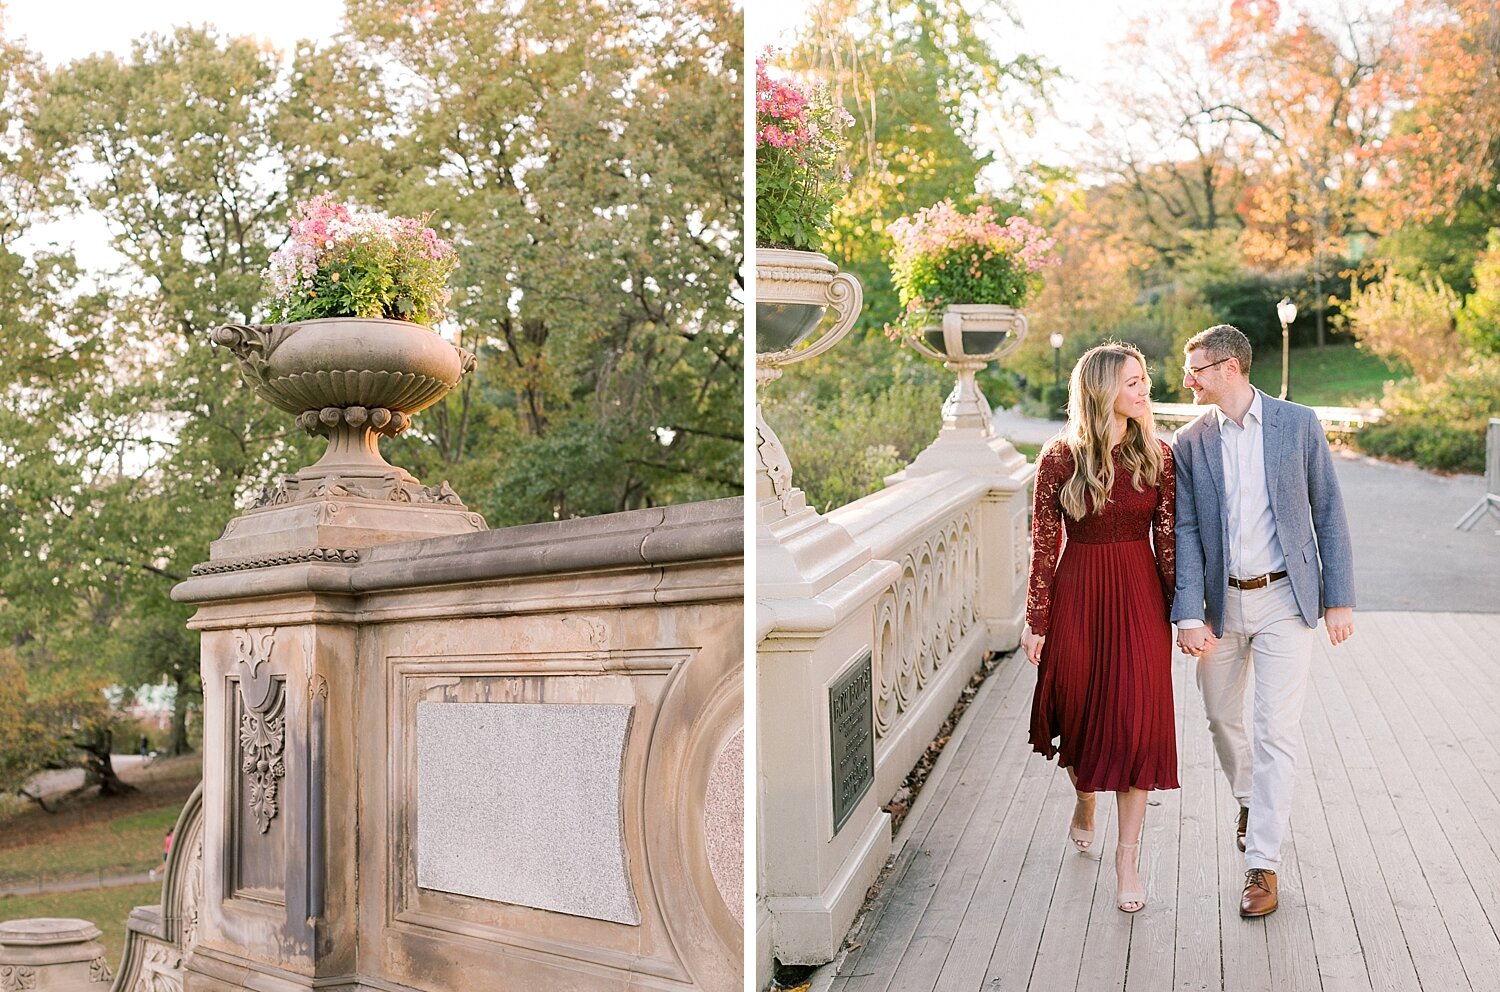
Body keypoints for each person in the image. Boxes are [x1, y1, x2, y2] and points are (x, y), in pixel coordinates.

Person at [1172, 323, 1354, 919]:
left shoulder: (1296, 425)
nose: (1187, 378)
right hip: (1221, 607)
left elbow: (1328, 511)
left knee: (1277, 731)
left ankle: (1263, 866)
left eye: (1195, 368)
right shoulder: (1190, 441)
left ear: (1230, 368)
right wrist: (1188, 613)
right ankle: (1250, 798)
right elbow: (1189, 531)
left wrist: (1339, 599)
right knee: (1222, 720)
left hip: (1285, 602)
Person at [1022, 342, 1178, 914]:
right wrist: (1036, 618)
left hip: (1139, 599)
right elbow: (1044, 543)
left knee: (1134, 725)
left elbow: (1170, 544)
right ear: (1101, 389)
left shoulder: (1158, 455)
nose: (1144, 390)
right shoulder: (1060, 458)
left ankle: (1127, 858)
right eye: (1132, 382)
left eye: (1144, 380)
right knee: (1082, 719)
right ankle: (1085, 796)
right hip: (1078, 595)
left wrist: (1184, 613)